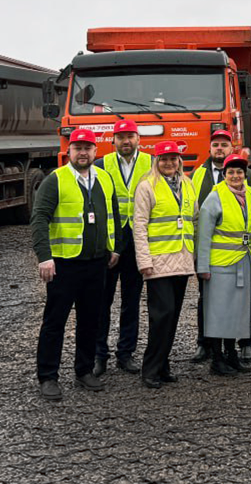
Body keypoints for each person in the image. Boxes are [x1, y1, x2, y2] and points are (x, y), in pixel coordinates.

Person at [30, 128, 121, 401]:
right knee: (55, 322)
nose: (83, 152)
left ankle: (84, 370)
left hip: (96, 264)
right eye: (77, 148)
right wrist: (44, 257)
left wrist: (113, 248)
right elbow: (39, 219)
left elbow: (112, 215)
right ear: (69, 152)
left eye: (87, 148)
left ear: (96, 151)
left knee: (90, 320)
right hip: (64, 264)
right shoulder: (55, 180)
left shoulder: (104, 178)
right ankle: (48, 376)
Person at [190, 130, 251, 365]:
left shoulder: (248, 194)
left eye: (240, 171)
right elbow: (204, 234)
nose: (236, 176)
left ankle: (232, 355)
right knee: (218, 311)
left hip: (242, 261)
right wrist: (202, 266)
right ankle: (218, 358)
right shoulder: (214, 196)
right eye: (231, 172)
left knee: (236, 311)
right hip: (219, 265)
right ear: (224, 175)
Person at [133, 140, 198, 389]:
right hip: (158, 263)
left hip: (181, 260)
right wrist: (144, 261)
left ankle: (163, 365)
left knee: (172, 318)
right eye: (164, 159)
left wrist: (196, 256)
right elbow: (139, 227)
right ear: (156, 162)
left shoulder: (188, 184)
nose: (169, 163)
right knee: (162, 316)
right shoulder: (147, 186)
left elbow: (195, 218)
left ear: (179, 160)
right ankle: (150, 369)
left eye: (173, 159)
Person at [92, 120, 153, 377]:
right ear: (112, 141)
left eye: (130, 136)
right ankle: (99, 355)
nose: (125, 141)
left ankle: (125, 353)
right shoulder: (101, 165)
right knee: (101, 302)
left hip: (139, 240)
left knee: (131, 300)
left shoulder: (151, 163)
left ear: (138, 139)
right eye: (121, 137)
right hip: (110, 241)